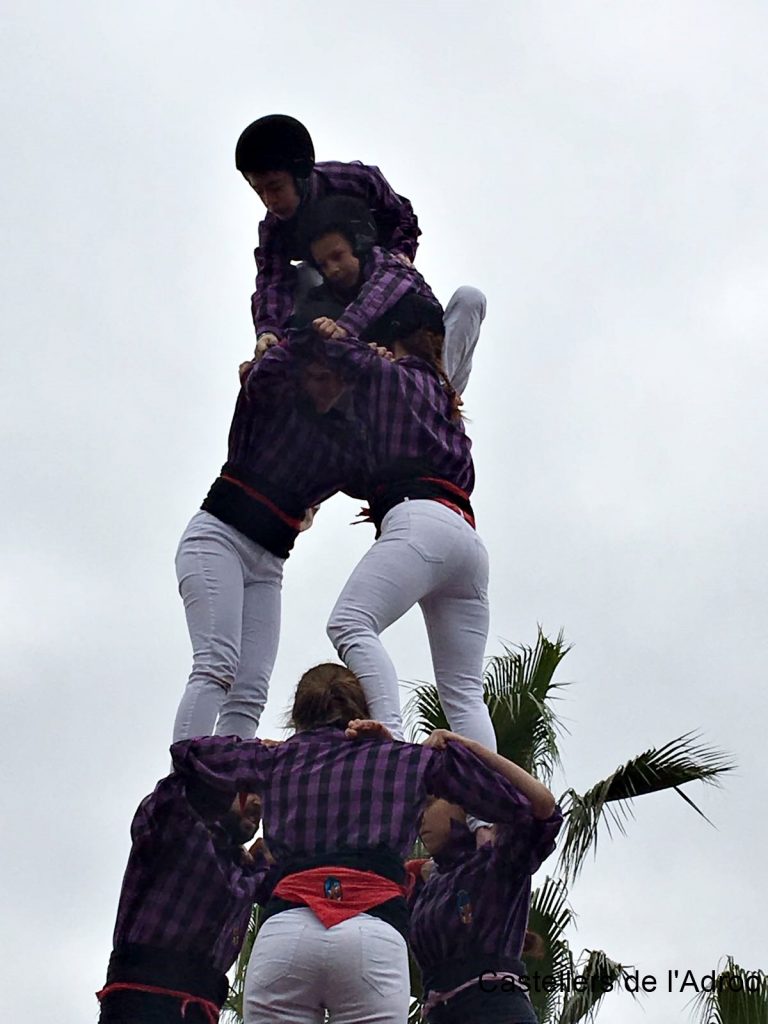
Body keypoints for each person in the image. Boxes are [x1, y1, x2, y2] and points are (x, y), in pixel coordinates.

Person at [170, 663, 546, 1024]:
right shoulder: (405, 760)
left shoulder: (277, 758)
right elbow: (524, 807)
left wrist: (260, 749)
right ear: (362, 710)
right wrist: (432, 750)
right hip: (372, 931)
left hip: (286, 932)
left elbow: (189, 754)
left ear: (298, 715)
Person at [286, 302, 495, 748]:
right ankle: (487, 815)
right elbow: (471, 298)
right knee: (463, 694)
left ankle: (392, 744)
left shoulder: (387, 377)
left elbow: (327, 348)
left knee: (350, 622)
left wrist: (331, 326)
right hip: (467, 539)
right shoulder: (443, 390)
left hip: (418, 521)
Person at [173, 342, 355, 741]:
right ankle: (185, 784)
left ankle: (224, 786)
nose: (329, 389)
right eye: (320, 378)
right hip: (219, 539)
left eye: (337, 381)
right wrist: (274, 337)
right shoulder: (267, 405)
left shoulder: (335, 445)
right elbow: (269, 369)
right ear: (303, 379)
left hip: (267, 565)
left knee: (250, 689)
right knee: (216, 664)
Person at [408, 730, 563, 1024]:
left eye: (428, 803)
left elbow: (543, 805)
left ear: (465, 805)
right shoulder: (424, 886)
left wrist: (471, 748)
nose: (420, 817)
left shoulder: (498, 860)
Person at [96, 772, 275, 1024]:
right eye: (248, 789)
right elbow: (189, 769)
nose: (259, 803)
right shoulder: (175, 830)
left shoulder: (242, 870)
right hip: (141, 1004)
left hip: (198, 1008)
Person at [235, 114, 420, 356]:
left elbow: (402, 215)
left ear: (299, 173)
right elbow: (271, 281)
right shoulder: (274, 228)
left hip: (383, 278)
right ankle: (317, 359)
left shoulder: (353, 180)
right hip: (331, 295)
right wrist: (268, 331)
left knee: (468, 300)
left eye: (276, 187)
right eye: (259, 191)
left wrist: (401, 252)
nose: (270, 201)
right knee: (302, 276)